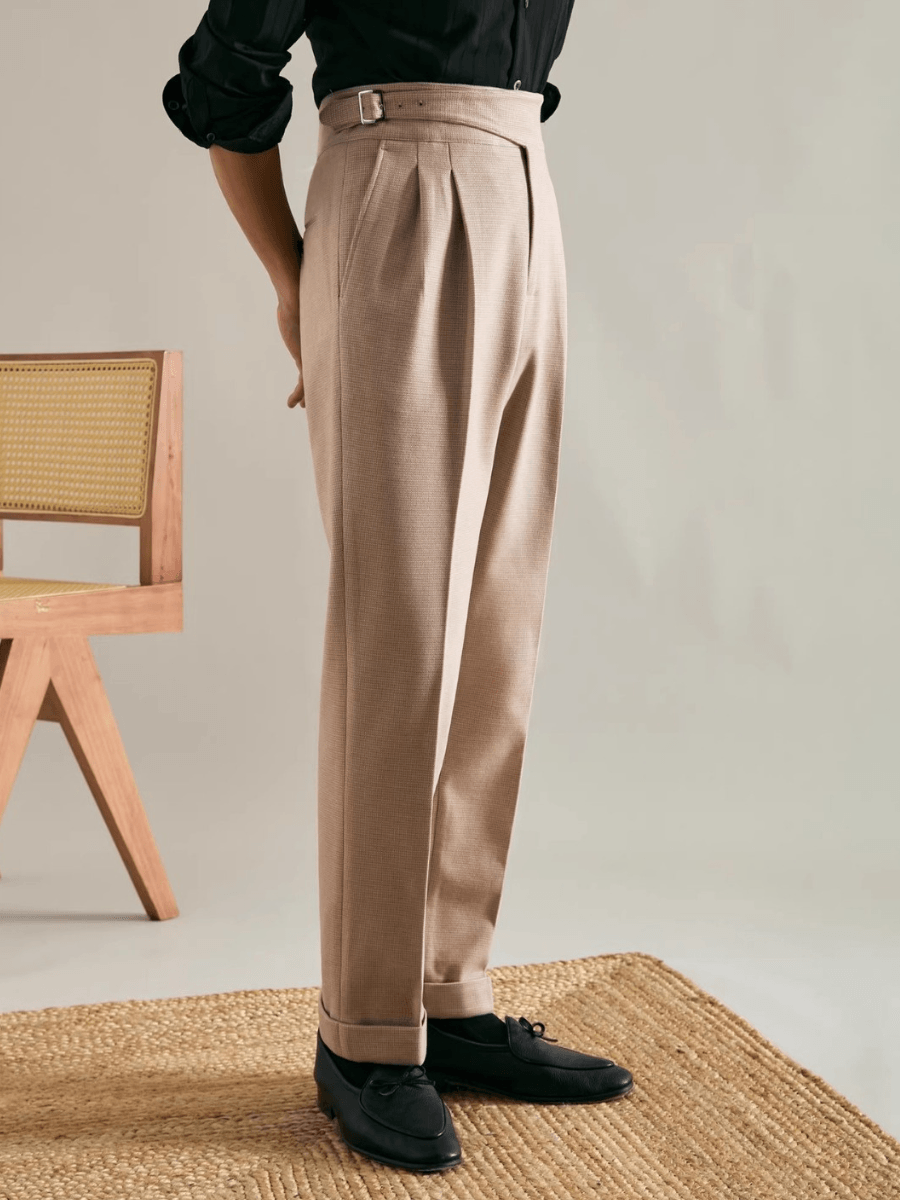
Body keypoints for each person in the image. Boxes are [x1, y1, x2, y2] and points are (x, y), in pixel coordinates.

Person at [162, 0, 633, 1175]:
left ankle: (450, 994)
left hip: (529, 191)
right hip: (396, 195)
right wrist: (292, 280)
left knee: (497, 638)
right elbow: (228, 75)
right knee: (402, 638)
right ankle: (367, 1035)